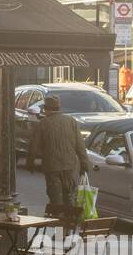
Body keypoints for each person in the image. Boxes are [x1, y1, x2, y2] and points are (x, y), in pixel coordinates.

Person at [26, 95, 90, 226]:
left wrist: (30, 163)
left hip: (52, 167)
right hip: (69, 166)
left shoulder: (43, 124)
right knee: (68, 196)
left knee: (55, 198)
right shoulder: (71, 121)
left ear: (45, 109)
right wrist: (84, 164)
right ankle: (69, 226)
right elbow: (80, 146)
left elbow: (33, 146)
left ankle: (59, 227)